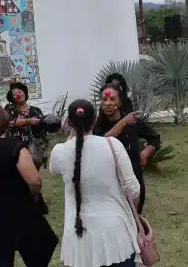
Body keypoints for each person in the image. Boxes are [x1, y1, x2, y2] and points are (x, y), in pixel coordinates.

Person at [50, 99, 140, 267]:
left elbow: (54, 168)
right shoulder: (113, 145)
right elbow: (133, 190)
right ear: (95, 118)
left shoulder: (60, 152)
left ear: (69, 122)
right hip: (116, 235)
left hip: (79, 240)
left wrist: (72, 135)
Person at [0, 104, 58, 266]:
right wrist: (34, 194)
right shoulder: (15, 147)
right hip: (19, 210)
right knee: (36, 255)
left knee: (3, 258)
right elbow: (34, 181)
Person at [93, 83, 161, 214]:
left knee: (135, 221)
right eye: (104, 99)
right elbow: (104, 141)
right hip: (108, 183)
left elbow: (154, 138)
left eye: (112, 99)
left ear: (120, 101)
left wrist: (145, 154)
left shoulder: (132, 122)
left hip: (134, 180)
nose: (107, 103)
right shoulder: (96, 126)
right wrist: (123, 123)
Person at [4, 82, 50, 214]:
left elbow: (43, 127)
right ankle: (36, 204)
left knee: (32, 177)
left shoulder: (36, 110)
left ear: (25, 93)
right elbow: (10, 122)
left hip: (35, 148)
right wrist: (29, 121)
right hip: (17, 148)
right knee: (22, 178)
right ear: (12, 98)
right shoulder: (9, 109)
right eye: (14, 94)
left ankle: (34, 203)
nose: (17, 95)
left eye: (19, 92)